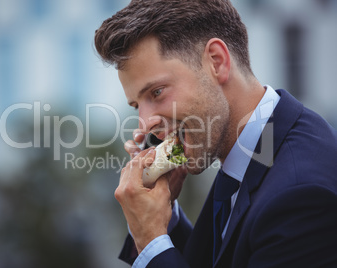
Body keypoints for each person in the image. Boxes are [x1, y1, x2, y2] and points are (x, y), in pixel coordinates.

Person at [94, 0, 337, 267]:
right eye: (136, 105)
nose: (144, 125)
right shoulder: (243, 156)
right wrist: (161, 218)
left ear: (216, 62)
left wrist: (151, 242)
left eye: (157, 92)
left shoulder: (299, 196)